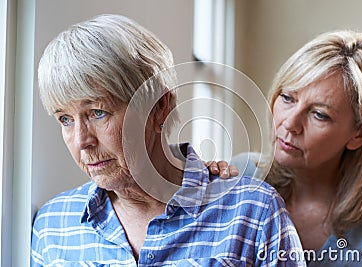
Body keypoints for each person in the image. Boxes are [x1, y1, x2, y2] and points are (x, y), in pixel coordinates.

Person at [31, 14, 306, 266]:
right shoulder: (52, 224)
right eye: (65, 119)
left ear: (159, 106)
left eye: (98, 112)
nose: (81, 141)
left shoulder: (253, 212)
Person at [213, 30, 362, 266]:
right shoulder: (239, 175)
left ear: (360, 133)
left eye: (319, 114)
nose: (290, 123)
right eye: (288, 98)